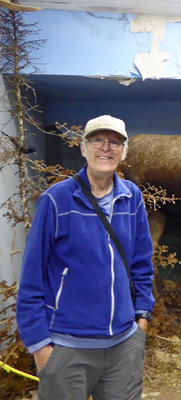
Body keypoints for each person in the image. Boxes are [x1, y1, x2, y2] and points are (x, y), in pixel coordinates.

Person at [16, 115, 155, 400]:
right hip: (67, 346)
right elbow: (31, 279)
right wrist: (40, 345)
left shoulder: (133, 197)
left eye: (115, 141)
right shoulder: (57, 200)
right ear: (83, 148)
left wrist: (142, 318)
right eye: (97, 140)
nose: (106, 147)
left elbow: (142, 264)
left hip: (123, 345)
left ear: (124, 151)